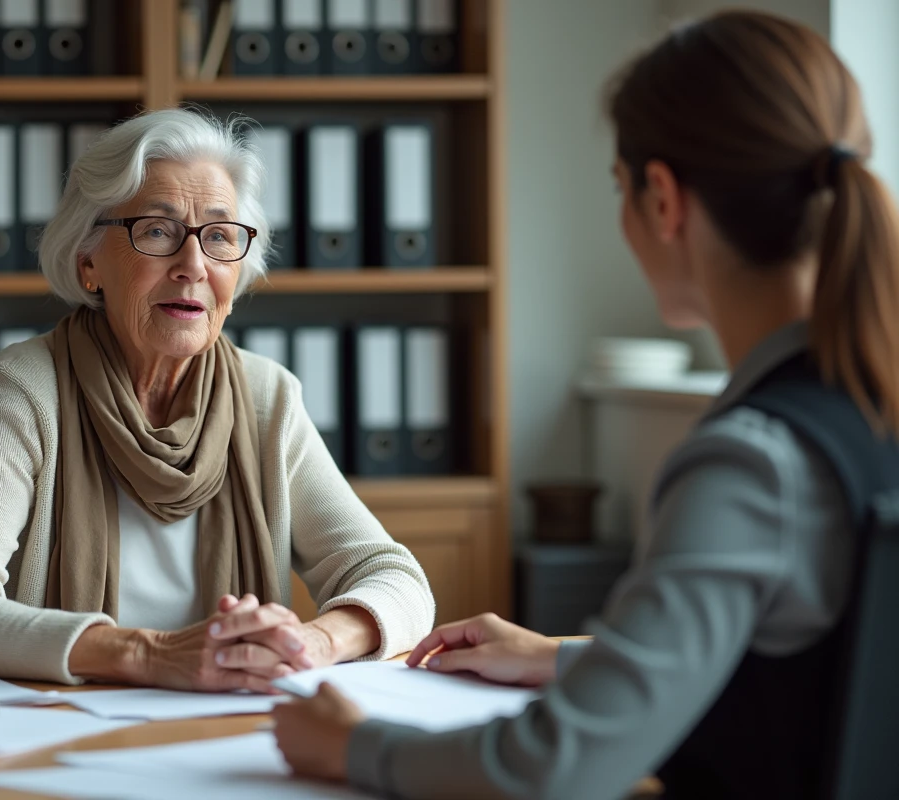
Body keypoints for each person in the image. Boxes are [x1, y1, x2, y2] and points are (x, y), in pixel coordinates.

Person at [272, 11, 899, 798]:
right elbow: (785, 671)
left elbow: (554, 767)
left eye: (619, 187)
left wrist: (357, 746)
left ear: (663, 199)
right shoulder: (864, 406)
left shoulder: (754, 463)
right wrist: (557, 656)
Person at [0, 108, 435, 690]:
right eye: (157, 231)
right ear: (88, 264)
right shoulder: (26, 390)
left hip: (226, 730)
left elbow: (393, 576)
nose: (194, 265)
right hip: (64, 736)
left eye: (220, 236)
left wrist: (314, 641)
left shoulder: (266, 398)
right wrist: (148, 654)